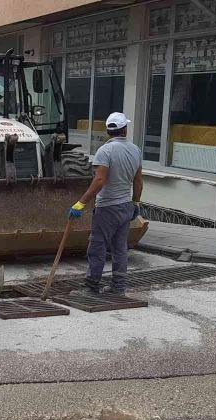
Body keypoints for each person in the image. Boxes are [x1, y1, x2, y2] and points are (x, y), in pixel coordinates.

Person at [69, 112, 143, 294]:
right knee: (120, 248)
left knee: (97, 246)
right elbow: (138, 181)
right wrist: (136, 202)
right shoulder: (135, 150)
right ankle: (118, 286)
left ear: (108, 131)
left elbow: (100, 180)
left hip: (107, 208)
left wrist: (81, 203)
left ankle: (91, 286)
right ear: (124, 130)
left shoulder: (105, 151)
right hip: (125, 206)